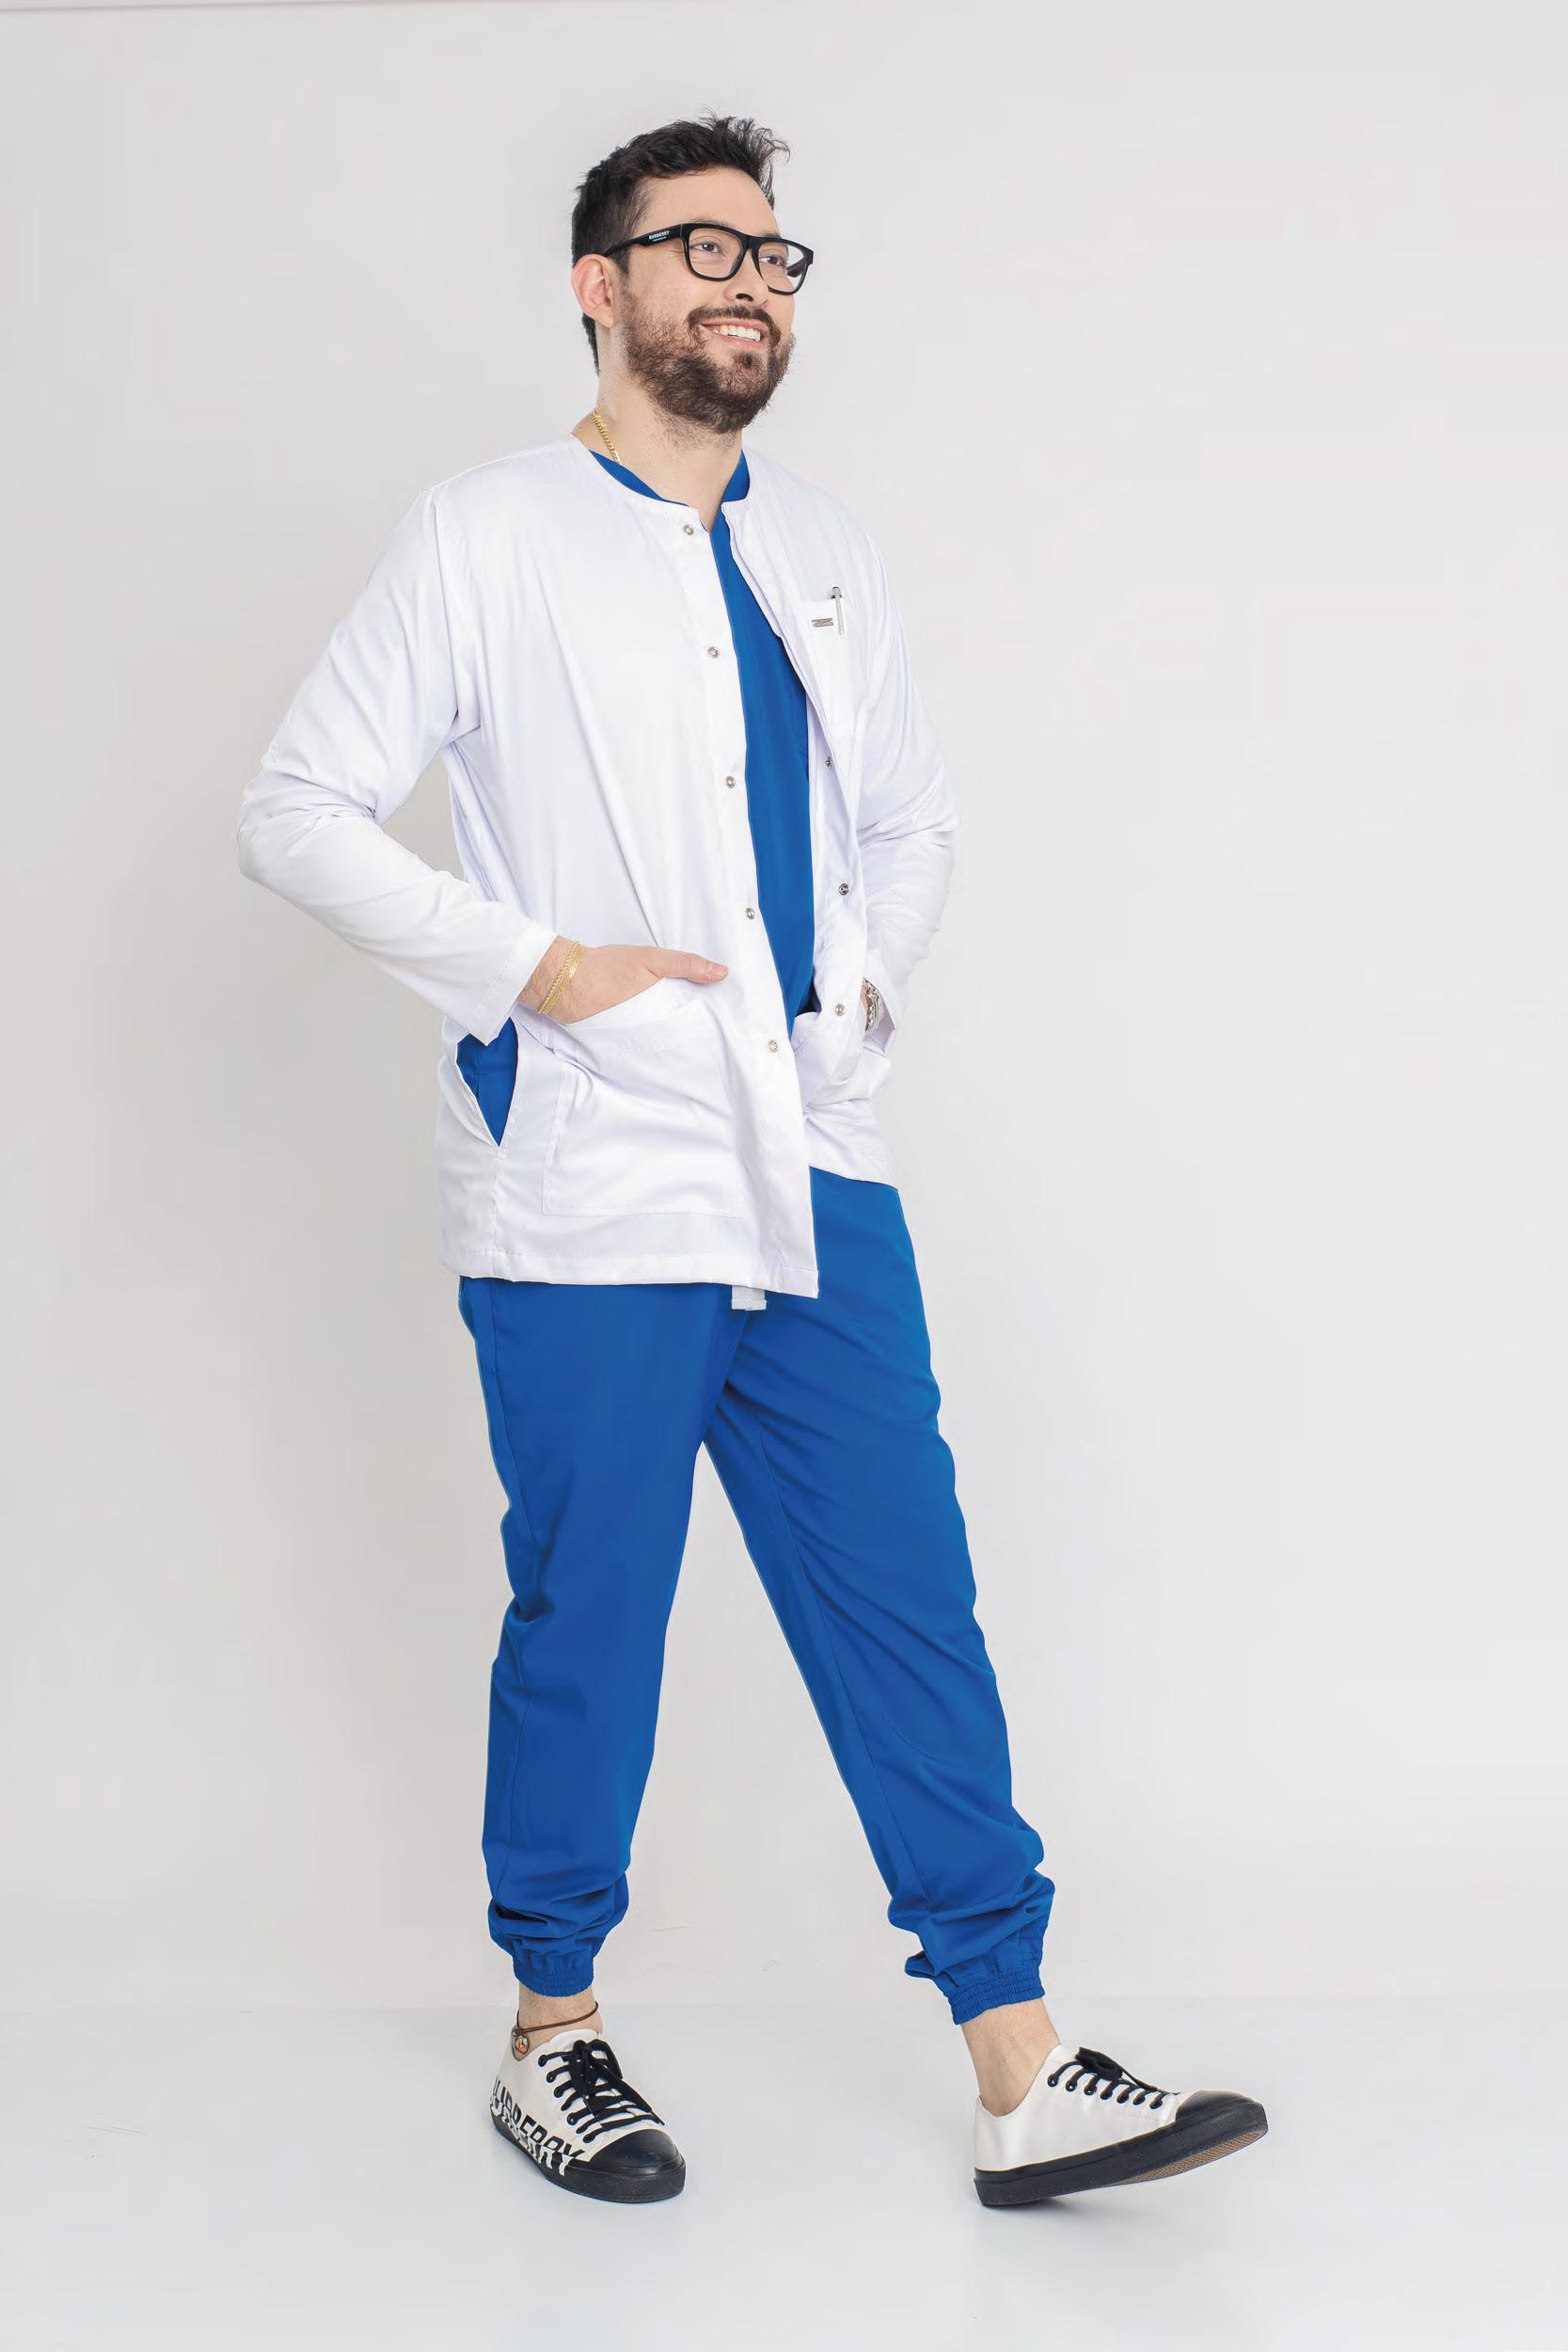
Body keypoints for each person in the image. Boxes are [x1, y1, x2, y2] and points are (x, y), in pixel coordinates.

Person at [236, 110, 1268, 2209]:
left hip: (812, 1167)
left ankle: (1018, 2058)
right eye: (702, 247)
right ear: (598, 285)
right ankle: (555, 2032)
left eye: (777, 256)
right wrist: (543, 973)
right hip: (590, 1173)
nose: (750, 284)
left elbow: (912, 819)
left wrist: (850, 1000)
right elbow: (297, 808)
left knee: (907, 1598)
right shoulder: (487, 534)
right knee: (593, 1612)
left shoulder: (827, 547)